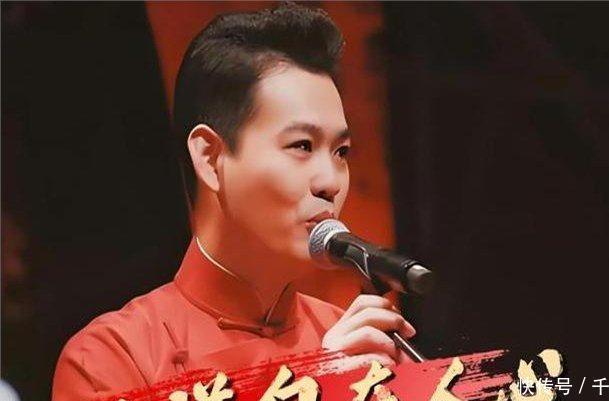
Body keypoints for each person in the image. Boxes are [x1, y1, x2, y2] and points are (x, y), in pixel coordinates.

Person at [52, 4, 416, 400]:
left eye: (341, 152)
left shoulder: (361, 343)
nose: (330, 181)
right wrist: (321, 383)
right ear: (210, 158)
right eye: (301, 146)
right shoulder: (113, 358)